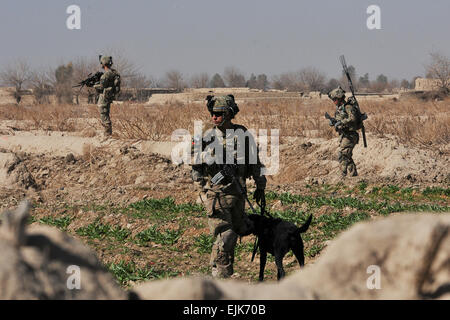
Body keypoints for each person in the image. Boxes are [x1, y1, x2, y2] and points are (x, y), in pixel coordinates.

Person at [191, 95, 266, 278]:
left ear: (229, 114)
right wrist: (201, 190)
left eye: (219, 113)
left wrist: (260, 186)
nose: (214, 117)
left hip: (238, 192)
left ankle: (222, 270)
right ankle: (220, 274)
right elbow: (195, 165)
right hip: (216, 193)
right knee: (225, 233)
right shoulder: (206, 136)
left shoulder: (242, 134)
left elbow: (255, 162)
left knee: (237, 229)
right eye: (212, 113)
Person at [327, 86, 360, 177]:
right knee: (347, 155)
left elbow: (353, 118)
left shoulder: (348, 107)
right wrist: (334, 122)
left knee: (343, 155)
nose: (333, 102)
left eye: (334, 99)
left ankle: (343, 175)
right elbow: (340, 120)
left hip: (350, 135)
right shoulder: (340, 108)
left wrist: (341, 122)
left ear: (339, 98)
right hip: (344, 135)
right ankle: (353, 175)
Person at [93, 55, 121, 137]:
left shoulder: (106, 75)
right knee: (105, 114)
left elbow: (102, 86)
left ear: (103, 63)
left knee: (104, 115)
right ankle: (108, 134)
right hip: (109, 96)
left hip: (104, 98)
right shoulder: (114, 72)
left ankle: (107, 134)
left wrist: (94, 85)